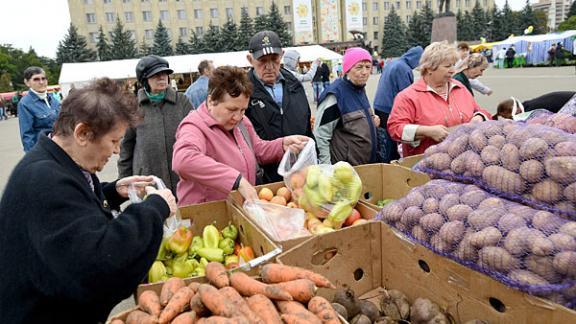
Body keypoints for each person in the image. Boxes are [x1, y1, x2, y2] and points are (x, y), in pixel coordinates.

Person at [0, 78, 177, 323]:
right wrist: (154, 209)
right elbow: (100, 263)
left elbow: (74, 204)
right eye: (114, 141)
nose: (117, 151)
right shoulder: (44, 181)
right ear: (82, 133)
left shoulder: (55, 163)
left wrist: (113, 192)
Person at [172, 66, 309, 205]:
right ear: (211, 101)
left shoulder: (242, 122)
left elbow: (258, 149)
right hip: (206, 215)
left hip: (238, 211)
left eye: (243, 110)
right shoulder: (193, 126)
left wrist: (281, 144)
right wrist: (236, 181)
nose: (237, 117)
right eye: (231, 110)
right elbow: (183, 160)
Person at [387, 41, 491, 157]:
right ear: (429, 68)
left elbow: (480, 111)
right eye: (447, 66)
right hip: (426, 163)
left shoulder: (460, 87)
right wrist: (427, 131)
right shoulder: (408, 96)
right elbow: (395, 129)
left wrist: (478, 117)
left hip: (463, 159)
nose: (452, 70)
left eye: (453, 65)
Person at [244, 30, 313, 183]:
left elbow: (307, 125)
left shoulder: (294, 84)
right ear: (250, 59)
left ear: (281, 55)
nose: (269, 66)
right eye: (262, 60)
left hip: (299, 173)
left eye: (274, 59)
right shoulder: (243, 91)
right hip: (264, 178)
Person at [118, 55, 193, 194]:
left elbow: (196, 135)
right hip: (147, 180)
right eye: (156, 75)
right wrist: (125, 180)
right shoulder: (134, 107)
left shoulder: (182, 101)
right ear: (144, 80)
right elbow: (126, 147)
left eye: (165, 74)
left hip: (182, 178)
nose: (162, 78)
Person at [314, 47, 380, 165]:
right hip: (345, 171)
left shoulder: (359, 88)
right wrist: (326, 169)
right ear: (347, 69)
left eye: (368, 67)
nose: (364, 72)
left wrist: (370, 120)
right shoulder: (335, 95)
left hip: (365, 167)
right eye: (359, 67)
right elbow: (321, 136)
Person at [373, 46, 424, 162]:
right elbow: (406, 94)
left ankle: (385, 161)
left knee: (384, 138)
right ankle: (391, 164)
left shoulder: (395, 63)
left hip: (380, 105)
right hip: (388, 107)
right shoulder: (403, 68)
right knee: (393, 138)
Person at [18, 67, 61, 152]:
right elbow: (27, 135)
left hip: (61, 148)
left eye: (43, 78)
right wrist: (32, 158)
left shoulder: (53, 99)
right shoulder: (25, 104)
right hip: (44, 150)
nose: (41, 82)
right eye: (36, 79)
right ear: (27, 82)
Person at [494, 91, 576, 119]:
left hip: (572, 102)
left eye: (509, 117)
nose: (511, 119)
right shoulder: (527, 105)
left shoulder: (530, 111)